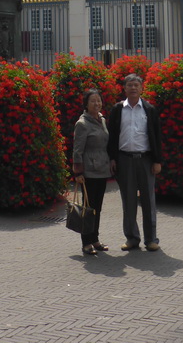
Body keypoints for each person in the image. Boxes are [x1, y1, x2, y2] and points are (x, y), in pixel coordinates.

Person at [107, 73, 163, 252]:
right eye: (129, 85)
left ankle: (151, 239)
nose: (133, 88)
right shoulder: (117, 110)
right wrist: (113, 158)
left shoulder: (150, 110)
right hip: (125, 160)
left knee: (148, 201)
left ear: (141, 88)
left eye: (136, 85)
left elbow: (157, 137)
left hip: (146, 160)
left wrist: (157, 160)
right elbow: (112, 136)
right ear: (124, 88)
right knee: (128, 201)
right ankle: (132, 238)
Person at [71, 89, 112, 256]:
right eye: (93, 101)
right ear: (86, 105)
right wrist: (78, 173)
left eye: (99, 100)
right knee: (88, 209)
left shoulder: (101, 120)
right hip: (88, 173)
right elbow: (77, 150)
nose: (97, 104)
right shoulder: (82, 124)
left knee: (97, 208)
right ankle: (86, 242)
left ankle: (95, 239)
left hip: (102, 170)